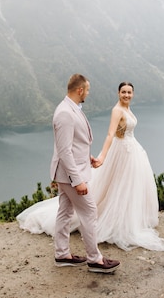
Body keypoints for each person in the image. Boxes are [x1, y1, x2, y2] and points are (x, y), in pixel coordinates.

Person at [17, 81, 164, 252]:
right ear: (118, 93)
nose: (126, 95)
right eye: (123, 92)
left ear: (133, 94)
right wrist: (103, 156)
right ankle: (110, 230)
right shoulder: (117, 110)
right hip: (121, 152)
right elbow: (111, 134)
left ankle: (128, 219)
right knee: (117, 187)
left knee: (127, 187)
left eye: (129, 92)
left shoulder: (127, 109)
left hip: (132, 151)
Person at [47, 74, 120, 273]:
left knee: (65, 211)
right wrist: (77, 180)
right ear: (80, 90)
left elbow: (74, 143)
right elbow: (64, 151)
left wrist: (88, 157)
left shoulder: (70, 108)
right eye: (87, 90)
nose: (88, 93)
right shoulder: (65, 113)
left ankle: (62, 254)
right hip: (70, 175)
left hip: (68, 172)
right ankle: (95, 259)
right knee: (89, 211)